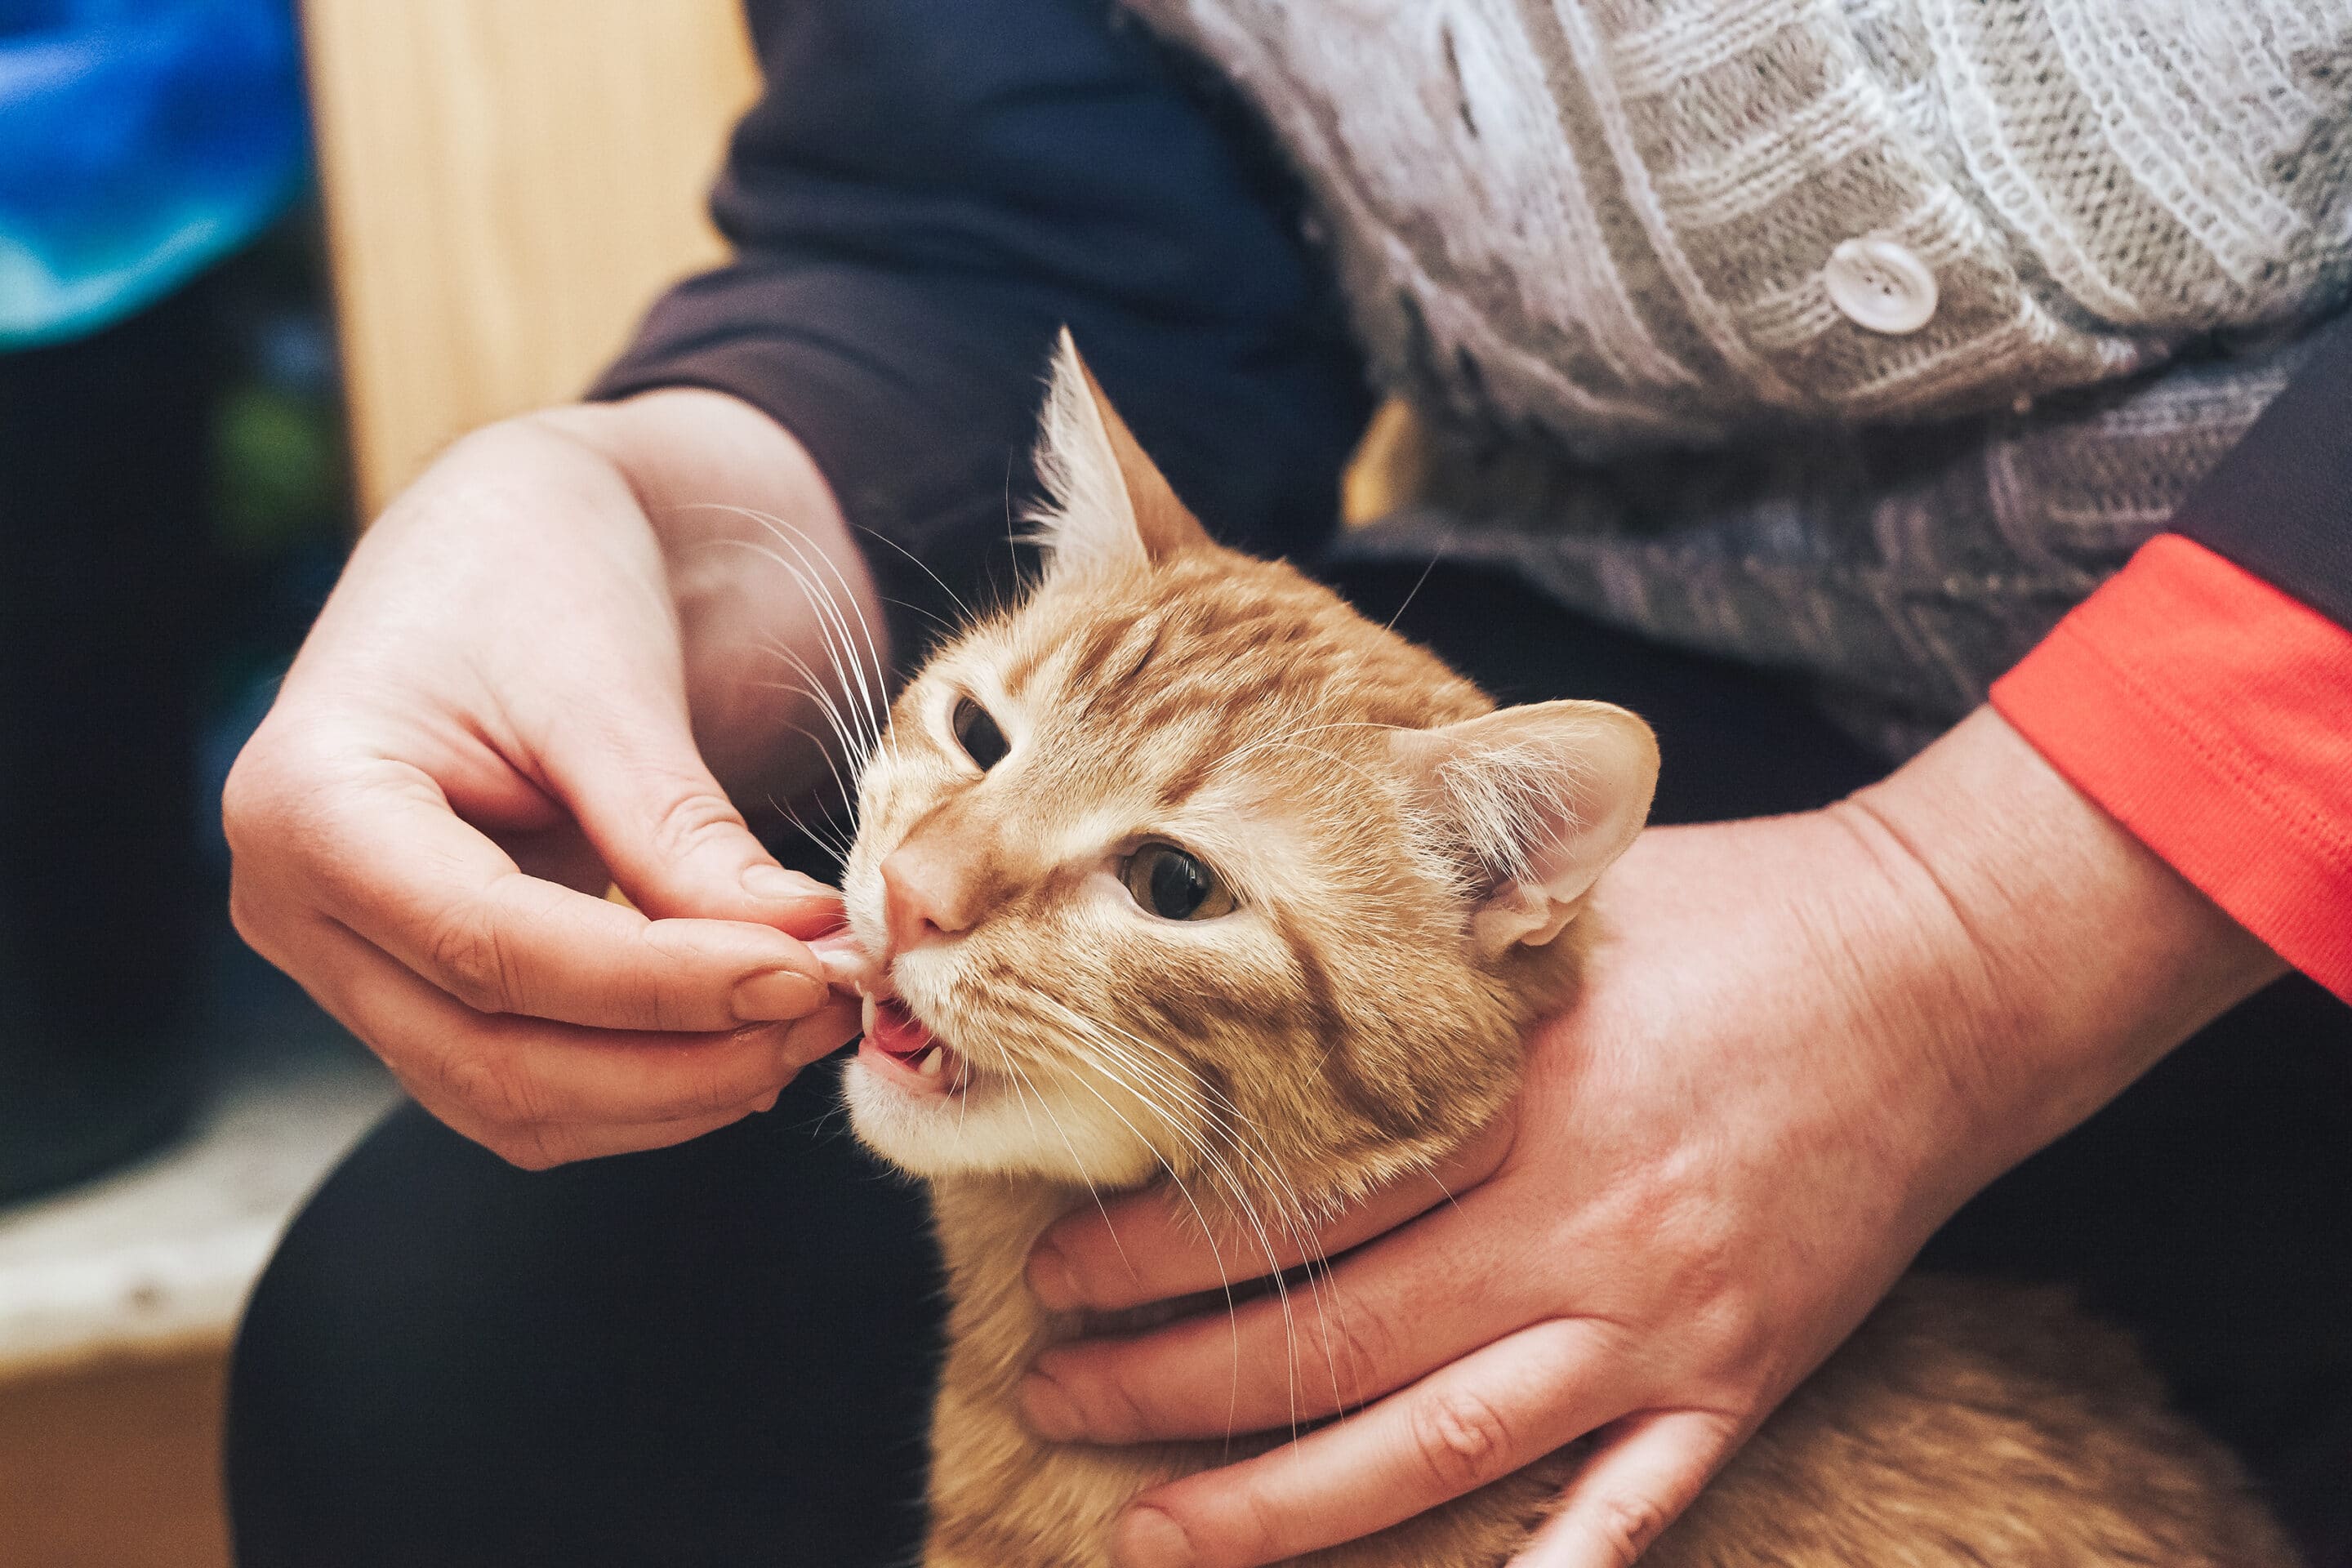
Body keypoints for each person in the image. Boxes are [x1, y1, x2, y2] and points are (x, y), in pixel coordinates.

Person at [222, 4, 2352, 1566]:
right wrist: (663, 508)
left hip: (2276, 729)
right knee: (449, 1357)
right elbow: (1011, 218)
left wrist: (1963, 933)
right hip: (1605, 650)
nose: (933, 884)